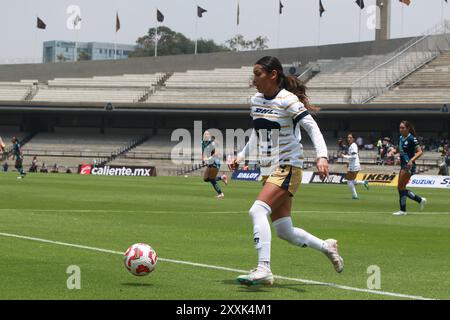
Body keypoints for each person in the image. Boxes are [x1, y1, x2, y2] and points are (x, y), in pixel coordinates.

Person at [229, 56, 343, 286]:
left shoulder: (287, 100)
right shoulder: (256, 100)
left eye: (258, 73)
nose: (254, 79)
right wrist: (241, 155)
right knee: (284, 230)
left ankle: (264, 269)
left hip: (288, 165)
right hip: (268, 169)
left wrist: (322, 155)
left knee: (257, 211)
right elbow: (257, 131)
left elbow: (311, 126)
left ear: (273, 75)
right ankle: (326, 246)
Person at [393, 121, 427, 216]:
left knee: (400, 187)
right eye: (400, 127)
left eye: (403, 127)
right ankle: (420, 200)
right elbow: (398, 149)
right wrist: (393, 152)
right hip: (403, 165)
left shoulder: (412, 138)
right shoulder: (400, 138)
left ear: (408, 128)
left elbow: (420, 152)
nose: (401, 129)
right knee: (401, 188)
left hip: (409, 166)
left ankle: (403, 210)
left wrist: (411, 160)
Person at [342, 133, 369, 199]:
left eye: (350, 137)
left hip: (354, 166)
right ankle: (364, 182)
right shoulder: (352, 145)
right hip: (355, 165)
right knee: (352, 180)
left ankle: (355, 195)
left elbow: (354, 156)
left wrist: (345, 156)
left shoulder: (353, 145)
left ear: (353, 139)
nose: (349, 139)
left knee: (349, 181)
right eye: (348, 137)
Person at [202, 131, 228, 198]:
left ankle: (221, 193)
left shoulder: (212, 142)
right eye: (205, 134)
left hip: (215, 162)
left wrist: (210, 157)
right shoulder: (203, 143)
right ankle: (222, 177)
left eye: (207, 134)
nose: (206, 135)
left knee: (211, 178)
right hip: (210, 162)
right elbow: (204, 153)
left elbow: (217, 152)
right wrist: (204, 158)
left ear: (210, 135)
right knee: (206, 179)